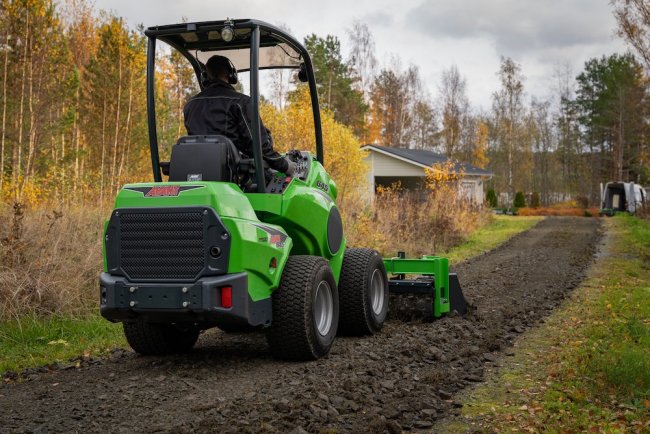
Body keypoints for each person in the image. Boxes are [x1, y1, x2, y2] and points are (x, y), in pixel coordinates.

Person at [183, 55, 296, 175]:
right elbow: (259, 146)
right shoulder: (241, 102)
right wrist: (286, 166)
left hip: (197, 172)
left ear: (205, 77)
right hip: (236, 176)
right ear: (231, 75)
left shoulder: (190, 105)